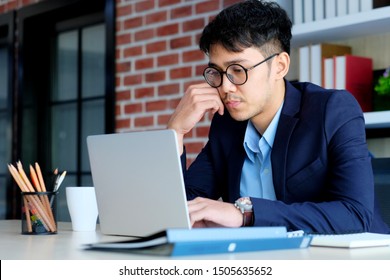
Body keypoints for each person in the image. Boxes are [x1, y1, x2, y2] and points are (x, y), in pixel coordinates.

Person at [167, 0, 390, 234]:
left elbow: (355, 215)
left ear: (280, 66)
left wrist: (246, 213)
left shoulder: (332, 110)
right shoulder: (227, 124)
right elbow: (183, 209)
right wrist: (175, 133)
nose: (225, 87)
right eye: (217, 72)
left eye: (237, 70)